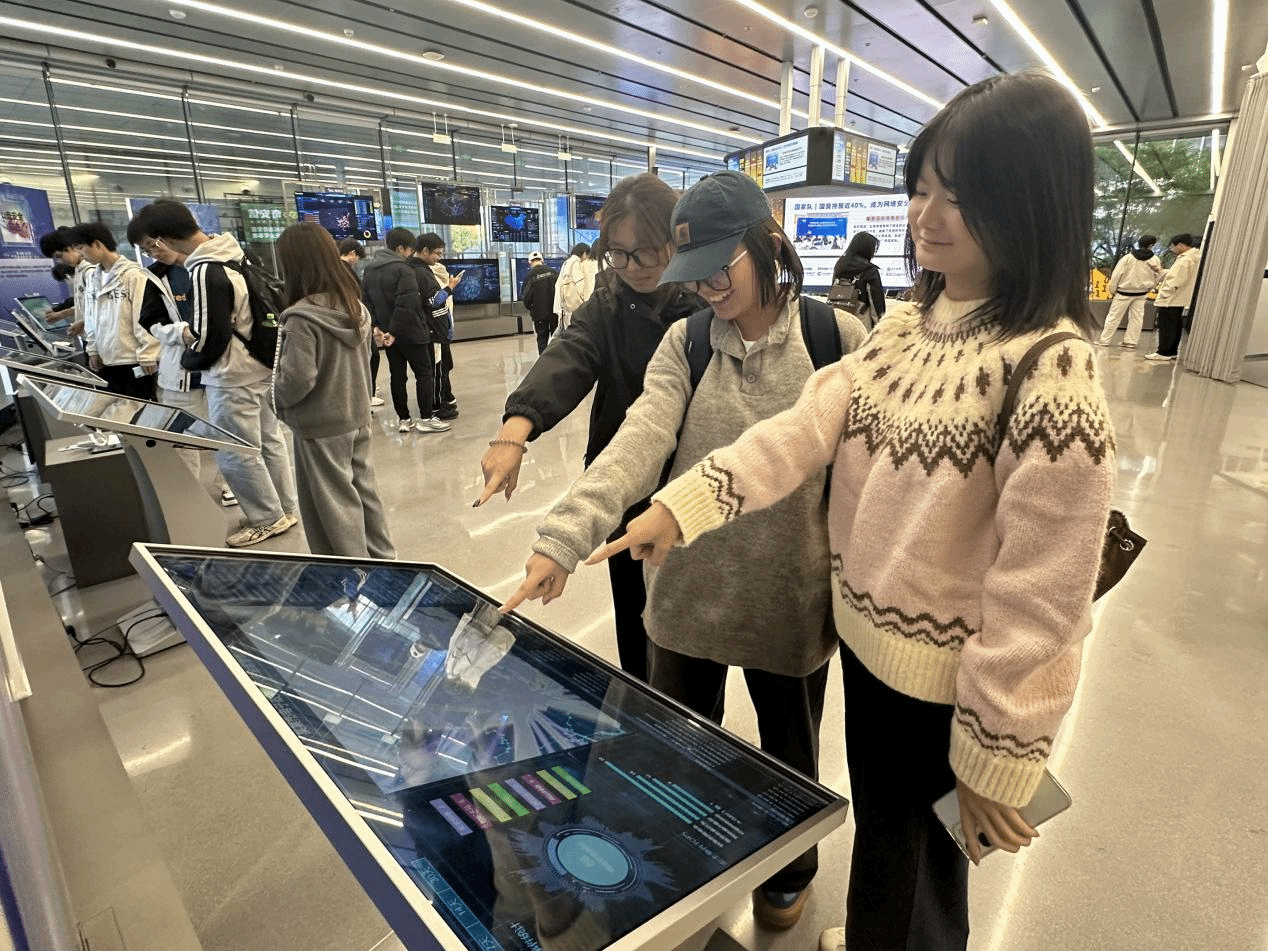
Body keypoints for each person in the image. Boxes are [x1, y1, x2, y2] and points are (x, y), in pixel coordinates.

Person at [590, 72, 1116, 951]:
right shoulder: (911, 327)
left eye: (961, 194)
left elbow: (1044, 589)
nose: (927, 215)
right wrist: (683, 506)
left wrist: (999, 749)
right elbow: (802, 428)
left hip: (948, 685)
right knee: (887, 841)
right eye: (921, 188)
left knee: (921, 875)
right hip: (871, 653)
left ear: (1033, 201)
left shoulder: (1048, 366)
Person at [499, 170, 868, 930]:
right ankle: (675, 867)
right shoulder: (687, 341)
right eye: (692, 275)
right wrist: (564, 537)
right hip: (686, 596)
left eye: (718, 271)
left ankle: (790, 869)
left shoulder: (837, 340)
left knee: (789, 754)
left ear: (768, 245)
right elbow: (638, 439)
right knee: (670, 754)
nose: (704, 289)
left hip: (788, 602)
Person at [474, 174, 703, 684]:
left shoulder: (706, 303)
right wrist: (514, 433)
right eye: (617, 253)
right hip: (621, 482)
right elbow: (569, 356)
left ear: (676, 241)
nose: (632, 266)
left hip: (693, 486)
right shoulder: (608, 302)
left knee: (686, 634)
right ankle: (641, 702)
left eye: (646, 251)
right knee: (633, 617)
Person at [134, 200, 299, 548]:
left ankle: (266, 518)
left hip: (231, 374)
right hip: (258, 365)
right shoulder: (235, 255)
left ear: (163, 238)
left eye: (152, 244)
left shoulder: (205, 269)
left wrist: (190, 361)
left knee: (235, 450)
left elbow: (210, 336)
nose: (154, 251)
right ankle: (284, 508)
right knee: (269, 441)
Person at [272, 222, 395, 559]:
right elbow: (367, 359)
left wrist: (275, 400)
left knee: (333, 504)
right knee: (364, 493)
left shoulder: (300, 319)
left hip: (320, 423)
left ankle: (353, 573)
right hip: (357, 415)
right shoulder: (357, 309)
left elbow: (297, 380)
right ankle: (384, 560)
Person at [126, 216, 235, 508]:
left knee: (226, 432)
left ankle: (230, 484)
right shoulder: (155, 277)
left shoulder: (217, 264)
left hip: (223, 366)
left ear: (170, 236)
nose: (154, 253)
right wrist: (179, 333)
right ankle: (189, 494)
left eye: (154, 244)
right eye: (146, 250)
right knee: (183, 434)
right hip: (182, 370)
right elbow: (150, 321)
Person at [361, 227, 450, 434]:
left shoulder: (370, 269)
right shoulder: (404, 269)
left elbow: (366, 301)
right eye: (410, 250)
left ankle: (404, 419)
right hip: (411, 332)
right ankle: (426, 418)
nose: (411, 254)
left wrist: (377, 328)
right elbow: (407, 304)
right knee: (424, 374)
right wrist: (394, 330)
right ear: (400, 248)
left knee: (397, 376)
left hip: (387, 335)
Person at [69, 222, 160, 400]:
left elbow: (143, 316)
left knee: (141, 408)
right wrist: (93, 350)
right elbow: (90, 316)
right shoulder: (93, 277)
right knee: (115, 409)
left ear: (97, 244)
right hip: (106, 360)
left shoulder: (133, 275)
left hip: (133, 359)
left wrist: (148, 353)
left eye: (81, 248)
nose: (80, 255)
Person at [410, 232, 460, 420]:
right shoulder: (421, 273)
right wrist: (450, 288)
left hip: (430, 328)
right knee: (435, 370)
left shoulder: (416, 269)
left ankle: (438, 402)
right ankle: (437, 408)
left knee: (437, 368)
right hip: (432, 330)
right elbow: (434, 301)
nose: (439, 258)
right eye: (437, 254)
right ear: (425, 251)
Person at [1095, 233, 1162, 349]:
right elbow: (1158, 276)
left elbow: (1116, 275)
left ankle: (1105, 340)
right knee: (1137, 318)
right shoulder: (1155, 260)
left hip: (1123, 292)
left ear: (1139, 243)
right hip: (1141, 293)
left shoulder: (1128, 258)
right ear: (1151, 245)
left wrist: (1113, 289)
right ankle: (1131, 341)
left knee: (1113, 317)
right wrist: (1150, 288)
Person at [1147, 233, 1200, 362]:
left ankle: (1164, 351)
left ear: (1181, 245)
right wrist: (1161, 271)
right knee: (1175, 326)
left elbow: (1175, 280)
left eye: (1173, 246)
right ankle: (1172, 351)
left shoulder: (1184, 260)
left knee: (1166, 325)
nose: (1172, 249)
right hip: (1180, 298)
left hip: (1171, 298)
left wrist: (1164, 292)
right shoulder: (1195, 257)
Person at [832, 230, 887, 322]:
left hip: (838, 316)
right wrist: (880, 322)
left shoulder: (840, 265)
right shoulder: (870, 270)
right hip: (860, 318)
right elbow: (876, 302)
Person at [553, 242, 597, 332]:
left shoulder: (567, 262)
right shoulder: (576, 263)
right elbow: (579, 282)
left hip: (564, 305)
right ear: (584, 253)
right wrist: (584, 299)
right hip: (572, 305)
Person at [521, 250, 559, 354]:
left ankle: (543, 361)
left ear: (530, 262)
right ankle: (557, 359)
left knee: (542, 339)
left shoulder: (530, 276)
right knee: (556, 338)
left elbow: (526, 297)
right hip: (554, 312)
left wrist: (531, 308)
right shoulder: (553, 272)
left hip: (539, 315)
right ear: (542, 260)